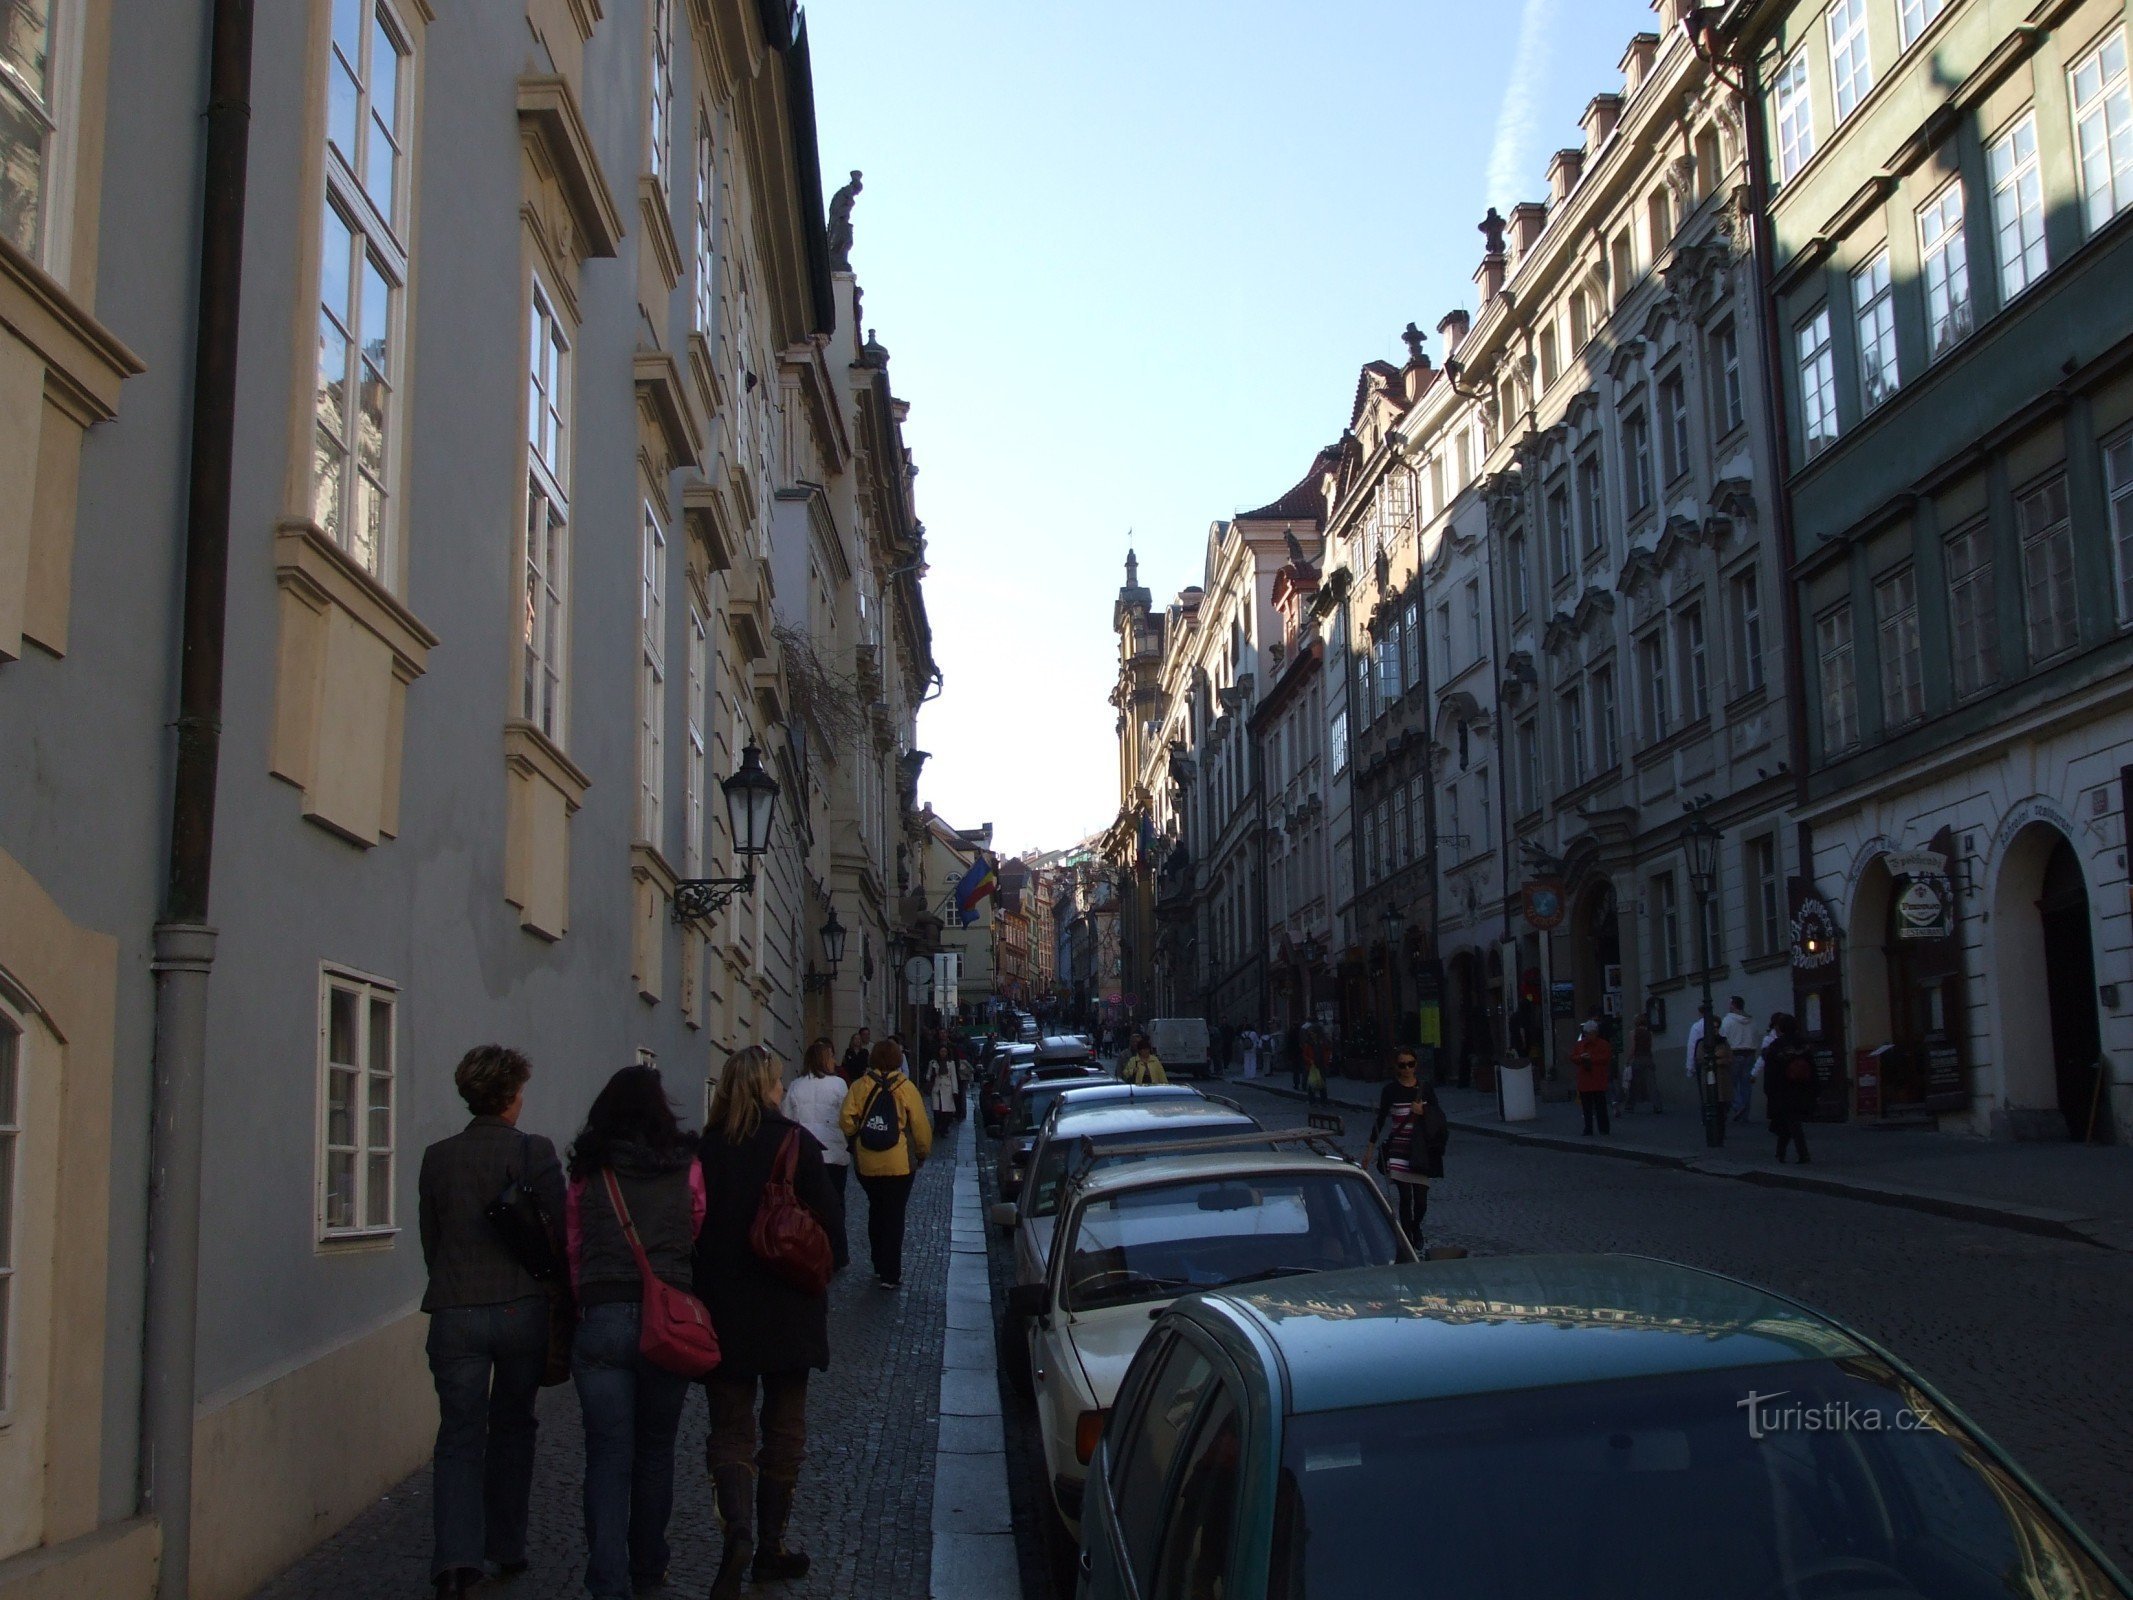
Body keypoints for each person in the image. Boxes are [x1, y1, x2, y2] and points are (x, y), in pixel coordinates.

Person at [417, 1046, 562, 1598]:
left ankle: (455, 1561)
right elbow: (553, 1232)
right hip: (520, 1308)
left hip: (454, 1310)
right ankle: (506, 1543)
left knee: (458, 1435)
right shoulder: (533, 1152)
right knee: (513, 1426)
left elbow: (433, 1240)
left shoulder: (438, 1156)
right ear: (510, 1096)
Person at [696, 1046, 836, 1599]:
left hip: (723, 1311)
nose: (782, 1091)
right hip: (788, 1308)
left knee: (729, 1430)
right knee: (784, 1432)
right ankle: (771, 1546)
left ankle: (738, 1533)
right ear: (765, 1088)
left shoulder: (704, 1150)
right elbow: (834, 1229)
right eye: (777, 1084)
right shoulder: (795, 1145)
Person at [565, 1065, 705, 1600]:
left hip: (601, 1316)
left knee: (605, 1454)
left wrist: (588, 1299)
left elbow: (574, 1245)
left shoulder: (589, 1170)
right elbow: (695, 1223)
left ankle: (605, 1578)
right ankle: (649, 1569)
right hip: (665, 1318)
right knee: (655, 1450)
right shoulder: (686, 1165)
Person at [839, 1039, 934, 1288]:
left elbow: (846, 1119)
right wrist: (922, 1152)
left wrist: (857, 1136)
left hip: (867, 1163)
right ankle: (891, 1273)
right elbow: (921, 1127)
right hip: (899, 1163)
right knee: (894, 1214)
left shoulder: (860, 1086)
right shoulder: (906, 1087)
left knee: (876, 1209)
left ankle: (878, 1263)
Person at [1364, 1052, 1448, 1248]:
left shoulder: (1425, 1089)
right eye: (1402, 1065)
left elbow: (1439, 1118)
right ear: (1396, 1067)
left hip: (1420, 1150)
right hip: (1398, 1149)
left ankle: (1415, 1225)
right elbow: (1381, 1119)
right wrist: (1369, 1149)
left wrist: (1424, 1111)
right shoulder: (1390, 1090)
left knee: (1421, 1201)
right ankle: (1408, 1237)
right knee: (1405, 1197)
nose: (1407, 1069)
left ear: (1416, 1065)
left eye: (1410, 1064)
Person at [784, 1039, 852, 1271]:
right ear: (824, 1059)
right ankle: (837, 1252)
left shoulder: (795, 1086)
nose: (834, 1061)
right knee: (835, 1204)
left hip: (806, 1155)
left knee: (807, 1205)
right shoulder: (839, 1085)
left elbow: (788, 1120)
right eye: (831, 1057)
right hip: (834, 1153)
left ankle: (810, 1248)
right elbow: (847, 1117)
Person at [1765, 1012, 1815, 1164]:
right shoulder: (1805, 1044)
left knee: (1790, 1123)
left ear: (1780, 1028)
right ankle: (1781, 1153)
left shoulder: (1776, 1046)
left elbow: (1771, 1072)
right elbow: (1813, 1068)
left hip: (1783, 1090)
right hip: (1802, 1088)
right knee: (1789, 1122)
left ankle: (1802, 1154)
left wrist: (1769, 1091)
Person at [1572, 1019, 1614, 1136]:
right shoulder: (1580, 1044)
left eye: (1593, 1033)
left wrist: (1589, 1058)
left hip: (1597, 1079)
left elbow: (1606, 1057)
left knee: (1601, 1106)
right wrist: (1581, 1058)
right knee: (1587, 1108)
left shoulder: (1603, 1044)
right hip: (1585, 1079)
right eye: (1588, 1033)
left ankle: (1603, 1128)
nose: (1590, 1036)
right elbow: (1573, 1057)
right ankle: (1588, 1128)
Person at [1722, 997, 1760, 1123]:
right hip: (1749, 1053)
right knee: (1746, 1085)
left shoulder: (1727, 1021)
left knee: (1730, 1083)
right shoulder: (1751, 1021)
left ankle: (1738, 1106)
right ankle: (1745, 1115)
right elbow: (1755, 1036)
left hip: (1734, 1053)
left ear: (1733, 1006)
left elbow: (1723, 1039)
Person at [1625, 1010, 1660, 1112]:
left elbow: (1633, 1047)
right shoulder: (1649, 1033)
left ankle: (1630, 1105)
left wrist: (1628, 1059)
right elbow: (1650, 1046)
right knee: (1652, 1084)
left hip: (1638, 1058)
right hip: (1648, 1058)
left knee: (1634, 1083)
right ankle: (1657, 1105)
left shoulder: (1633, 1033)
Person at [927, 1053, 959, 1123]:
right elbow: (928, 1075)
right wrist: (931, 1077)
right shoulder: (933, 1062)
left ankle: (944, 1127)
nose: (943, 1053)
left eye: (944, 1051)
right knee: (936, 1109)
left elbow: (953, 1077)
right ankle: (937, 1125)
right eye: (941, 1051)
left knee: (945, 1109)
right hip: (936, 1087)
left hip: (947, 1088)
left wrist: (955, 1091)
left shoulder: (951, 1063)